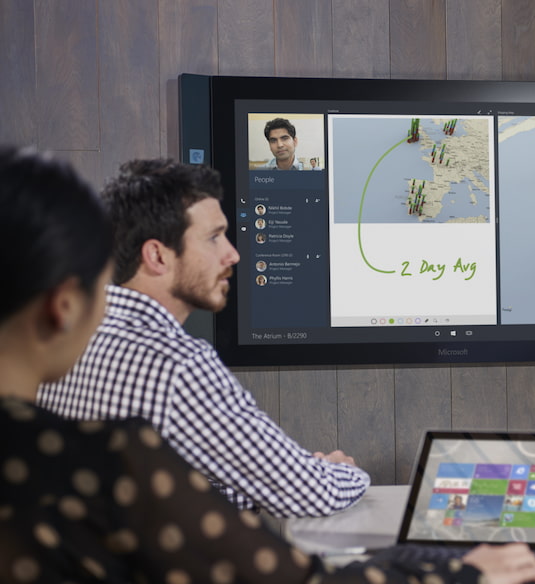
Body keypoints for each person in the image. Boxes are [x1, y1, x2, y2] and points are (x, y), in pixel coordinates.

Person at [0, 146, 535, 584]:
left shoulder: (56, 442)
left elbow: (137, 511)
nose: (235, 254)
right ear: (62, 305)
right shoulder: (160, 385)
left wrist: (245, 484)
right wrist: (462, 578)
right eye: (215, 238)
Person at [38, 159, 368, 518]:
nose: (233, 254)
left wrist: (285, 480)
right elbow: (310, 495)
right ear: (157, 256)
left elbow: (156, 493)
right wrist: (342, 471)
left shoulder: (65, 340)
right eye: (214, 238)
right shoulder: (176, 365)